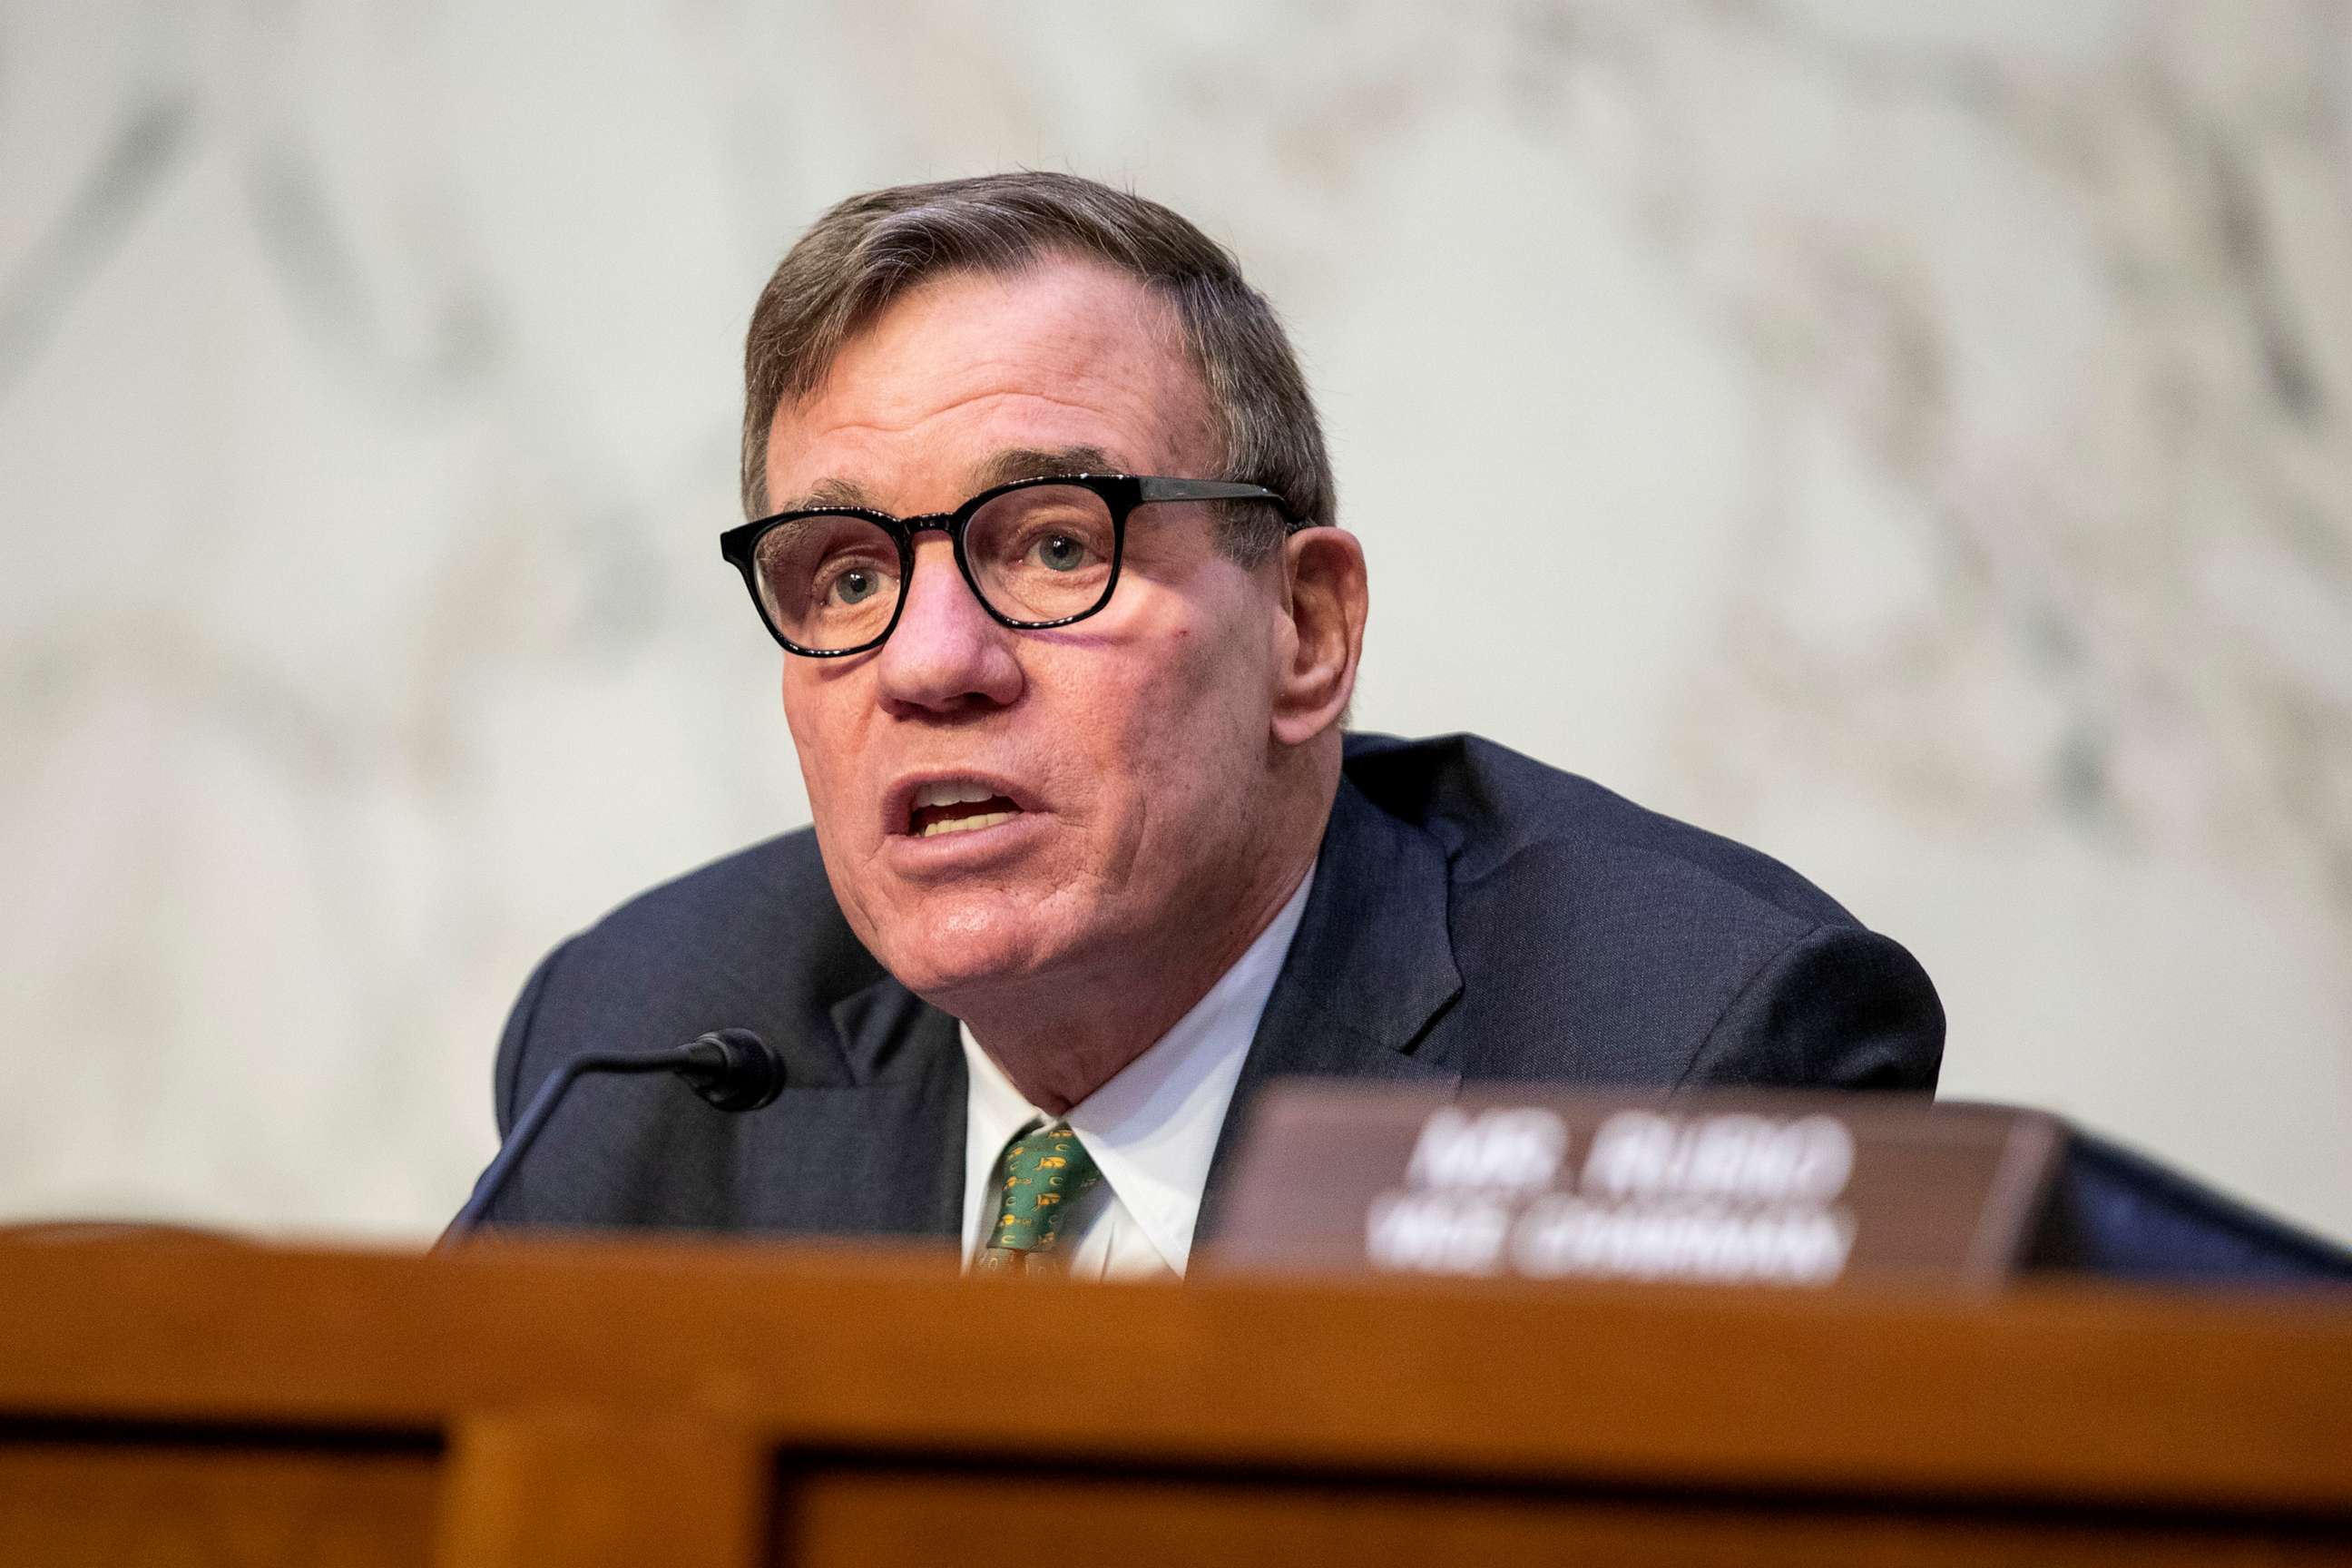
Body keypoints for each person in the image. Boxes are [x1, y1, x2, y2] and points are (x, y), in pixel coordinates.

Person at [473, 172, 1943, 1276]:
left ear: (1306, 631)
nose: (931, 663)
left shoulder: (1678, 1062)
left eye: (1054, 547)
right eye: (848, 575)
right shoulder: (642, 1047)